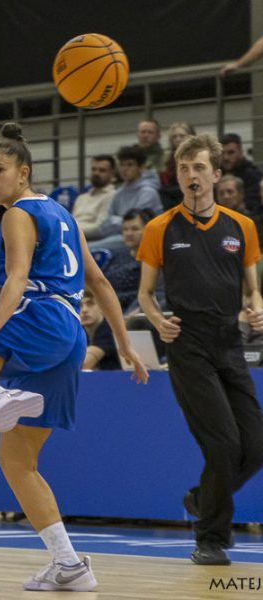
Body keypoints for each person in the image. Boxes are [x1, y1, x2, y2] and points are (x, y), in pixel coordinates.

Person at [0, 122, 148, 592]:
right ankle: (70, 564)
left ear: (24, 173)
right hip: (70, 336)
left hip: (36, 319)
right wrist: (123, 343)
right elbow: (98, 284)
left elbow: (18, 280)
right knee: (18, 462)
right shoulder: (64, 214)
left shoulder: (18, 213)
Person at [137, 133, 263, 566]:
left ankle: (200, 498)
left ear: (216, 173)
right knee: (224, 445)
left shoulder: (241, 226)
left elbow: (253, 289)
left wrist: (257, 309)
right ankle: (210, 538)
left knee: (257, 444)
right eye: (185, 168)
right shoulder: (160, 228)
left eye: (199, 168)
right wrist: (157, 321)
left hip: (230, 340)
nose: (192, 175)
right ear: (178, 174)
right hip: (187, 343)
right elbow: (146, 295)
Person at [90, 145, 163, 251]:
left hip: (143, 242)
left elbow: (135, 225)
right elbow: (107, 223)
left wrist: (116, 222)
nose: (125, 169)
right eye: (122, 165)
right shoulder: (119, 193)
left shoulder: (148, 192)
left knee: (88, 249)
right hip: (121, 237)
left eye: (130, 165)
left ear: (141, 167)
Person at [71, 154, 116, 240]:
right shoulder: (81, 197)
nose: (96, 173)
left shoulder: (112, 195)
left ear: (112, 174)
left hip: (90, 241)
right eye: (93, 169)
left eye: (102, 170)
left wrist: (73, 232)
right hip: (73, 238)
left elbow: (100, 228)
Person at [219, 133, 263, 214]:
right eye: (222, 153)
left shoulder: (253, 175)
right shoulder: (215, 174)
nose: (225, 157)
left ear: (241, 152)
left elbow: (253, 206)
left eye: (231, 152)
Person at [80, 289, 120, 370]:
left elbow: (83, 364)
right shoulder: (80, 333)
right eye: (79, 305)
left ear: (103, 307)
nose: (84, 310)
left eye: (90, 304)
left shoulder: (109, 329)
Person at [159, 121, 196, 209]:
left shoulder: (198, 157)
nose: (178, 139)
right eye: (174, 137)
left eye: (182, 136)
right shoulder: (167, 161)